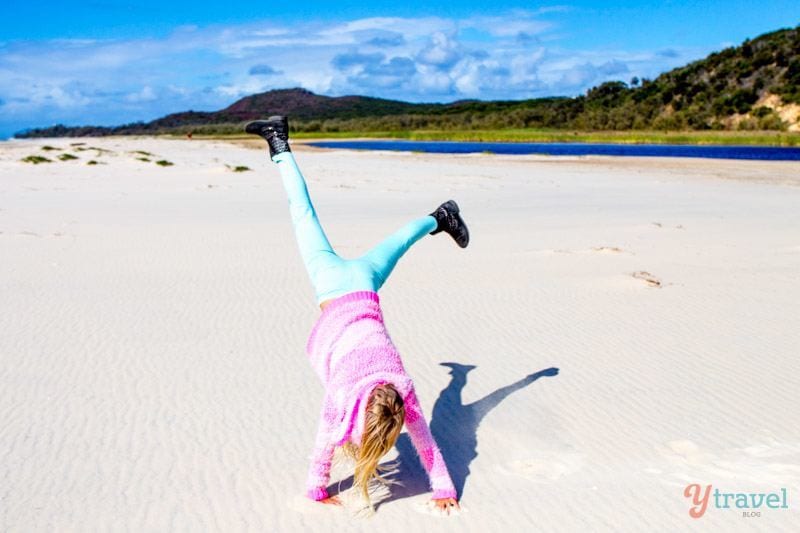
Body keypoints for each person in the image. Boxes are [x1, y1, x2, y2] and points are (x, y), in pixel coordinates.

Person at [245, 116, 468, 514]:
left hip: (363, 286)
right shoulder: (349, 392)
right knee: (305, 215)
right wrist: (315, 489)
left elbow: (424, 443)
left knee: (385, 238)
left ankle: (442, 216)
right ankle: (279, 142)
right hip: (335, 282)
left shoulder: (400, 388)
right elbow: (327, 441)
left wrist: (444, 489)